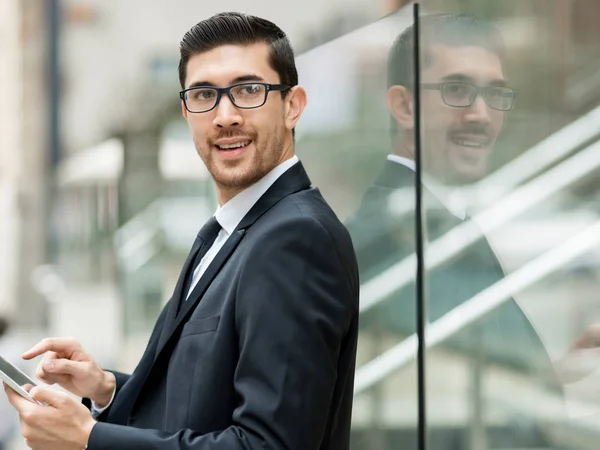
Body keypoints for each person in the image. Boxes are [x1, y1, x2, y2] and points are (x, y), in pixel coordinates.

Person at [5, 12, 360, 450]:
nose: (225, 115)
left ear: (292, 105)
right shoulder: (225, 233)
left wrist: (88, 440)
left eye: (248, 90)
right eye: (204, 94)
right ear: (186, 111)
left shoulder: (295, 240)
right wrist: (105, 389)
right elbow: (200, 401)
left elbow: (269, 445)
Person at [346, 14, 562, 449]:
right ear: (404, 106)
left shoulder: (446, 220)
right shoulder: (388, 235)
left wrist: (566, 364)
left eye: (495, 93)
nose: (481, 115)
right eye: (457, 90)